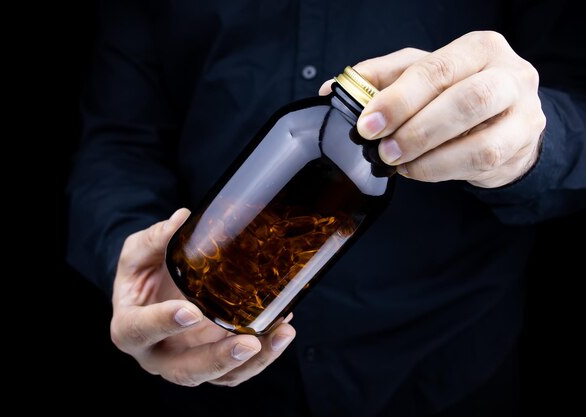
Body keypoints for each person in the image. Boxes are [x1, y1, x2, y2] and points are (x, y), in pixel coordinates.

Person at [67, 0, 586, 415]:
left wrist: (531, 143)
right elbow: (120, 138)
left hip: (442, 368)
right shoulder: (298, 125)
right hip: (203, 360)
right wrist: (130, 253)